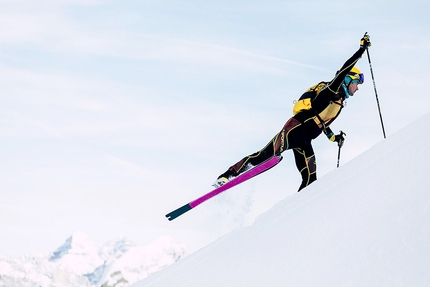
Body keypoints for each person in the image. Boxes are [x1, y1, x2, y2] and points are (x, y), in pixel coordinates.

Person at [213, 34, 372, 192]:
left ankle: (299, 213)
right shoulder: (330, 90)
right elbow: (344, 69)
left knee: (311, 180)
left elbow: (322, 122)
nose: (357, 88)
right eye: (356, 83)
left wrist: (334, 138)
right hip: (295, 129)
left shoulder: (338, 102)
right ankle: (226, 176)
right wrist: (361, 50)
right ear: (348, 80)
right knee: (264, 155)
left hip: (305, 141)